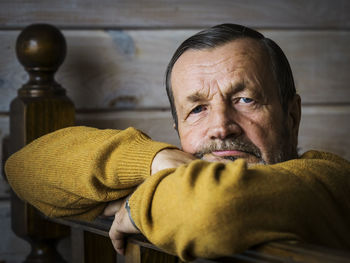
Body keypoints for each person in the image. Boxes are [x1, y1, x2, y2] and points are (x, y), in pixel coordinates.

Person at [5, 24, 350, 261]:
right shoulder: (173, 183)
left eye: (245, 100)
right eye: (198, 108)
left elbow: (215, 205)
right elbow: (22, 167)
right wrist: (154, 160)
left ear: (291, 117)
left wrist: (134, 204)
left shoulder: (331, 180)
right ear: (177, 127)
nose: (221, 127)